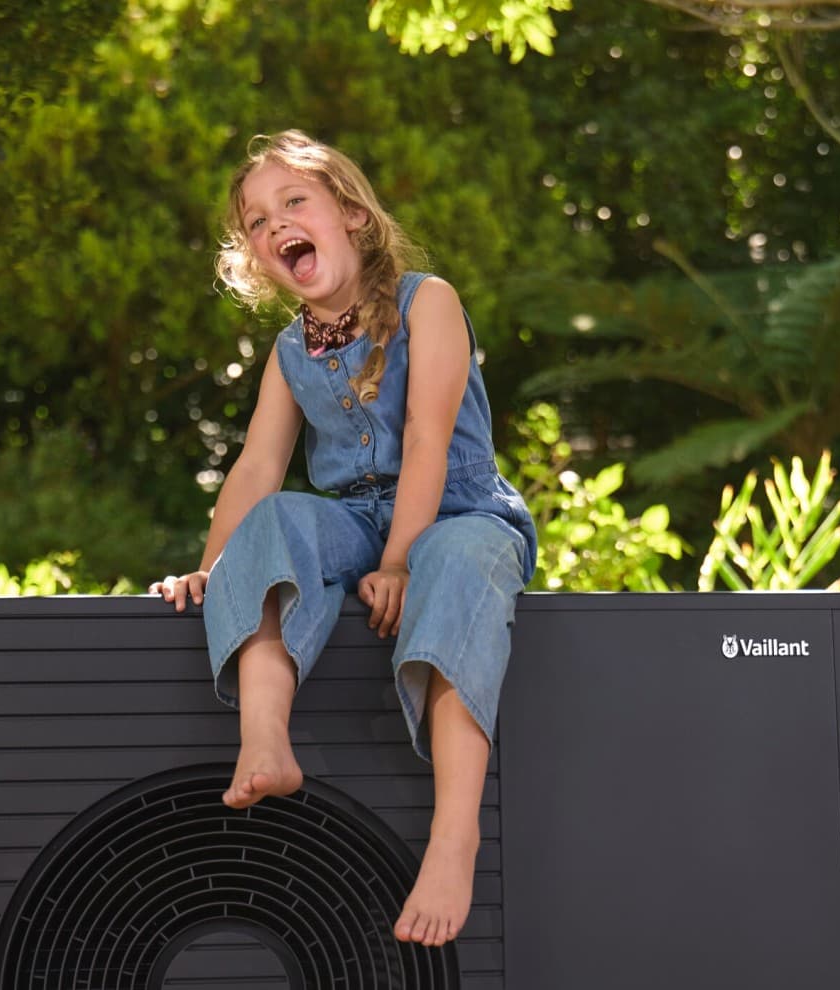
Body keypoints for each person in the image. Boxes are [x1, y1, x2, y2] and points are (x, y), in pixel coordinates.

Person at [150, 130, 536, 949]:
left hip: (458, 513)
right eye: (257, 221)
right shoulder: (291, 352)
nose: (274, 223)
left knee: (455, 563)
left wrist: (399, 560)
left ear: (352, 216)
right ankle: (265, 738)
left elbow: (429, 439)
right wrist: (211, 569)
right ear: (255, 257)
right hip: (355, 524)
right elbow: (257, 468)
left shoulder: (428, 301)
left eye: (294, 202)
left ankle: (454, 835)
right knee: (280, 515)